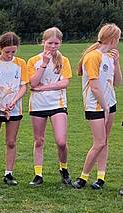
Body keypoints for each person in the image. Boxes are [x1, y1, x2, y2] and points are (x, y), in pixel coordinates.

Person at [72, 23, 122, 190]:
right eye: (118, 38)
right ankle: (83, 178)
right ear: (113, 38)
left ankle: (100, 178)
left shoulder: (109, 56)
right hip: (96, 106)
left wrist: (117, 63)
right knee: (99, 142)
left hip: (109, 104)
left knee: (104, 141)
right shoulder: (93, 56)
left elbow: (118, 82)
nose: (119, 41)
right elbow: (94, 87)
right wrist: (105, 106)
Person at [27, 27, 73, 186]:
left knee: (61, 141)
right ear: (43, 42)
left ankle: (64, 169)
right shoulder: (34, 60)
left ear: (60, 43)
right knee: (39, 140)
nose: (53, 46)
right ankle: (38, 174)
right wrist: (44, 64)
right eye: (50, 43)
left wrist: (44, 87)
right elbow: (32, 83)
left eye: (56, 43)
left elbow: (65, 83)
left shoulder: (64, 60)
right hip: (38, 105)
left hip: (57, 104)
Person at [0, 32, 28, 186]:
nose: (10, 55)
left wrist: (14, 101)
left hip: (14, 108)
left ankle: (9, 173)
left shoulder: (21, 63)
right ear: (0, 48)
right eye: (7, 52)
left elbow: (23, 86)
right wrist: (0, 106)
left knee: (11, 142)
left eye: (13, 52)